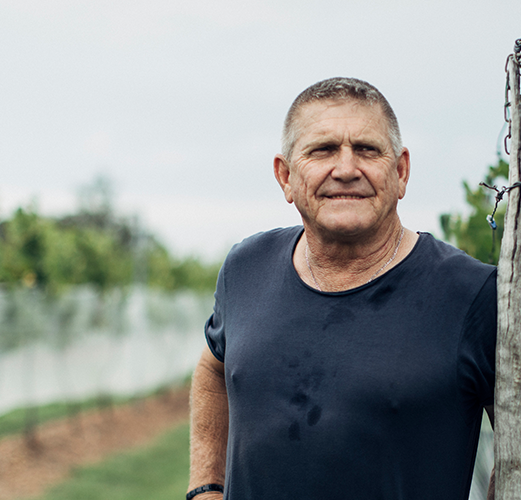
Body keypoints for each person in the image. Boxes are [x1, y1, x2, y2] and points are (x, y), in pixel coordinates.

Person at [187, 77, 496, 500]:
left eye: (367, 150)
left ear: (401, 171)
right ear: (286, 177)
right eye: (323, 150)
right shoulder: (246, 267)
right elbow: (213, 370)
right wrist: (205, 487)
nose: (347, 169)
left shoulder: (472, 295)